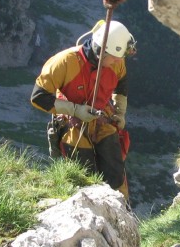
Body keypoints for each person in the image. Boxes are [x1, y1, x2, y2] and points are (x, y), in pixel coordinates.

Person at [30, 20, 136, 199]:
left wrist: (119, 113)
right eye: (115, 57)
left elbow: (121, 85)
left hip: (103, 119)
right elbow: (38, 97)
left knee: (115, 174)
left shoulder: (116, 61)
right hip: (73, 126)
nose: (119, 61)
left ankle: (121, 214)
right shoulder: (64, 63)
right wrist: (75, 110)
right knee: (84, 177)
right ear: (102, 51)